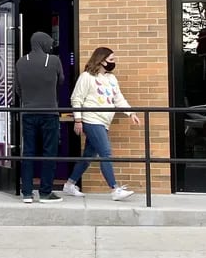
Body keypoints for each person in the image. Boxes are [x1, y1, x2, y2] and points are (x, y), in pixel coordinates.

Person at [63, 47, 140, 201]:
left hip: (104, 122)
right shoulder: (86, 77)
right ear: (101, 60)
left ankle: (69, 184)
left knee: (89, 155)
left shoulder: (111, 79)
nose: (113, 62)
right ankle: (115, 189)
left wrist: (130, 112)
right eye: (111, 60)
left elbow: (118, 98)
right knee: (105, 152)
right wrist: (78, 120)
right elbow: (76, 98)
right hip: (91, 119)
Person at [14, 31, 65, 204]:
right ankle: (45, 192)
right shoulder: (54, 60)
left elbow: (17, 88)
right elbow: (61, 81)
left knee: (28, 152)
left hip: (27, 112)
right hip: (49, 112)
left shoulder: (21, 62)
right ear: (44, 43)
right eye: (49, 44)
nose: (51, 47)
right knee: (49, 152)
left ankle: (27, 193)